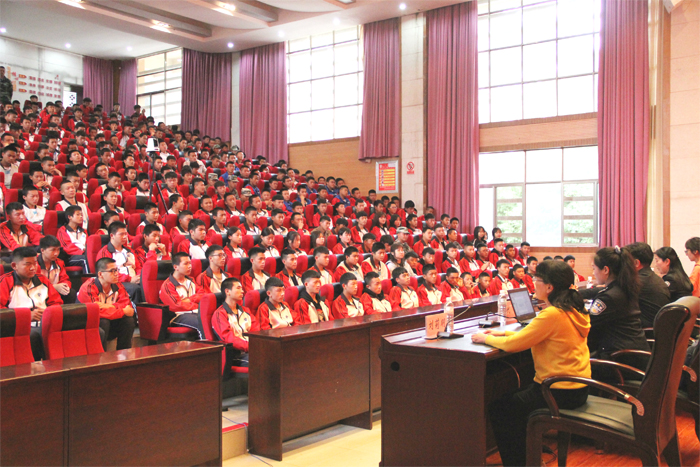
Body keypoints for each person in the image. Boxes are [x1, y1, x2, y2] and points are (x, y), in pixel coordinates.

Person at [472, 260, 590, 467]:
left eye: (537, 279)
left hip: (558, 390)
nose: (533, 283)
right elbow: (533, 334)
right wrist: (502, 333)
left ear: (549, 287)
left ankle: (522, 463)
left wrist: (486, 338)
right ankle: (531, 457)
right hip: (577, 386)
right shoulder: (572, 309)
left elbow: (515, 344)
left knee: (501, 409)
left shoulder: (552, 314)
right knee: (510, 401)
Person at [580, 247, 649, 358]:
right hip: (633, 351)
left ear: (605, 270)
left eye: (594, 268)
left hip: (621, 358)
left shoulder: (608, 297)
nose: (593, 273)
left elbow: (586, 323)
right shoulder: (624, 288)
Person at [0, 247, 63, 360]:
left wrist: (49, 313)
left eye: (35, 263)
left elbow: (56, 302)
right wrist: (25, 317)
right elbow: (1, 312)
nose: (33, 268)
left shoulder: (43, 280)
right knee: (34, 335)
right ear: (14, 266)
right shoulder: (5, 282)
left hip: (45, 322)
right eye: (27, 264)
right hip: (19, 326)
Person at [78, 257, 135, 351]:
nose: (117, 274)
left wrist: (110, 306)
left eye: (117, 270)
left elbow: (128, 307)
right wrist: (122, 311)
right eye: (112, 271)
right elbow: (96, 313)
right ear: (100, 274)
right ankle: (102, 355)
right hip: (89, 326)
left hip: (111, 324)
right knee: (103, 321)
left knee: (128, 321)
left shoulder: (118, 285)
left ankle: (124, 354)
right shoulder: (88, 288)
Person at [211, 277, 259, 367]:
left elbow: (256, 330)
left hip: (252, 349)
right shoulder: (220, 314)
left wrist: (258, 344)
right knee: (263, 361)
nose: (242, 291)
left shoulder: (246, 311)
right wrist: (250, 346)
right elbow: (227, 337)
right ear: (227, 291)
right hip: (236, 354)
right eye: (238, 288)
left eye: (242, 288)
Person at [159, 252, 206, 338]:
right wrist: (197, 305)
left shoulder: (191, 280)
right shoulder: (168, 285)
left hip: (196, 312)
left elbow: (203, 295)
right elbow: (176, 306)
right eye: (185, 264)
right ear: (175, 267)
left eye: (190, 263)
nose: (190, 266)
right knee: (202, 323)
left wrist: (189, 300)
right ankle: (207, 345)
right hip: (178, 315)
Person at [625, 242, 671, 328]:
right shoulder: (651, 276)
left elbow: (615, 293)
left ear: (636, 263)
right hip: (658, 327)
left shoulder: (638, 280)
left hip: (647, 330)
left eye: (626, 261)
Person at [96, 222, 141, 301]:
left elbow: (138, 267)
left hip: (134, 279)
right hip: (117, 282)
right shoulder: (105, 252)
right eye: (121, 234)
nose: (125, 237)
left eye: (126, 234)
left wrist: (139, 277)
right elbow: (107, 273)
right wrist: (130, 279)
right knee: (136, 289)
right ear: (112, 235)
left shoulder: (130, 250)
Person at [37, 235, 75, 304]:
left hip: (55, 291)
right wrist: (53, 287)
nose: (56, 253)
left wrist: (65, 286)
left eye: (58, 250)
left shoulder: (59, 262)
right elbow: (35, 284)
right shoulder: (35, 264)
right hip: (40, 292)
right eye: (53, 250)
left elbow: (65, 278)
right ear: (42, 250)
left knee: (71, 292)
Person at [56, 205, 88, 271]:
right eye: (78, 215)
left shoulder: (84, 231)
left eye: (81, 215)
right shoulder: (62, 230)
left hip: (84, 254)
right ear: (69, 217)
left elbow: (88, 244)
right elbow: (66, 247)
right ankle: (90, 277)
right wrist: (82, 252)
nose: (81, 217)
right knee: (86, 259)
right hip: (69, 257)